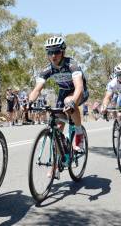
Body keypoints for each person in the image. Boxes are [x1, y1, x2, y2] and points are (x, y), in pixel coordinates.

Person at [29, 36, 89, 178]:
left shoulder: (71, 64)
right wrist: (29, 102)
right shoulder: (47, 69)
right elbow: (37, 89)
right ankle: (56, 165)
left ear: (62, 52)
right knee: (57, 130)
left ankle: (79, 132)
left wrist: (73, 101)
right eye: (50, 53)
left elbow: (79, 87)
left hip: (78, 91)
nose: (53, 55)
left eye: (56, 52)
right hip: (63, 93)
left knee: (69, 100)